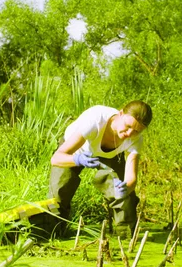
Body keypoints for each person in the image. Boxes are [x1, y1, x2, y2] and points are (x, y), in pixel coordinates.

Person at [49, 100, 153, 237]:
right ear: (120, 113)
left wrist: (126, 187)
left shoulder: (136, 139)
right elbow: (56, 159)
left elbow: (131, 177)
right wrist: (77, 160)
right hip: (77, 151)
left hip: (112, 154)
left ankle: (126, 237)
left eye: (136, 131)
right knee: (59, 192)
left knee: (123, 197)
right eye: (127, 126)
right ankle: (53, 233)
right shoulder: (95, 121)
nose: (129, 133)